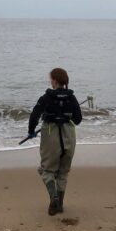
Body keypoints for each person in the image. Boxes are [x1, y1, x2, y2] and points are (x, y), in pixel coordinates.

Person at [28, 68, 83, 215]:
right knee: (63, 172)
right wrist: (66, 116)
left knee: (46, 170)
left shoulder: (46, 97)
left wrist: (31, 131)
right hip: (68, 136)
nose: (50, 82)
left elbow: (34, 115)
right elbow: (78, 120)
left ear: (55, 81)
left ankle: (54, 197)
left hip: (51, 135)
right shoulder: (71, 98)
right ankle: (59, 205)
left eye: (50, 79)